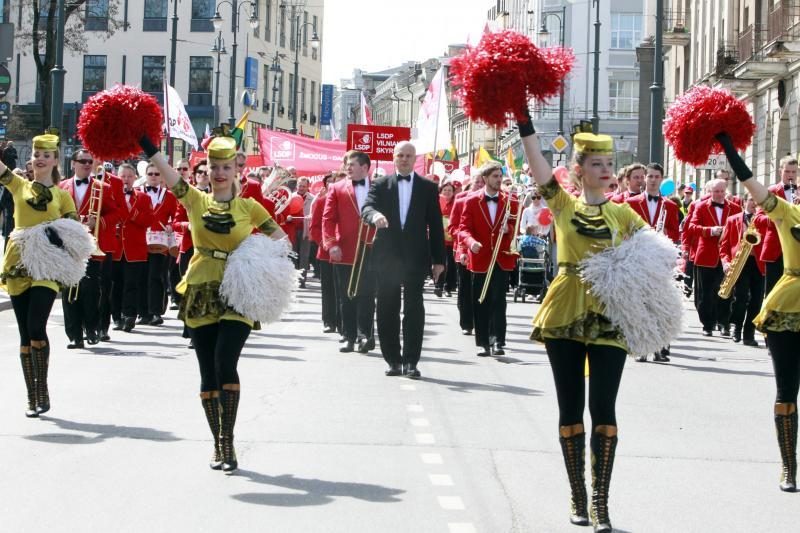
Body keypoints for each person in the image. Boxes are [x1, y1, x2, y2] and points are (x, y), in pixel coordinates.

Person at [519, 114, 649, 532]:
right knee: (571, 405)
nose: (607, 170)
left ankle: (600, 502)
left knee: (605, 406)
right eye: (596, 163)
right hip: (566, 309)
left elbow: (658, 257)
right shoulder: (562, 203)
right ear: (579, 169)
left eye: (609, 163)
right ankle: (577, 491)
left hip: (611, 313)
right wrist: (524, 123)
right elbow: (538, 161)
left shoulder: (625, 216)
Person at [139, 133, 287, 474]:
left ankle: (228, 439)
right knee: (207, 370)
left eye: (226, 167)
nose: (219, 173)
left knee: (225, 361)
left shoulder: (249, 207)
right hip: (201, 287)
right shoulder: (194, 200)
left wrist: (254, 259)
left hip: (239, 290)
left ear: (237, 169)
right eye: (214, 167)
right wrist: (147, 144)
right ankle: (218, 442)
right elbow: (166, 169)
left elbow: (280, 239)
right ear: (206, 169)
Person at [715, 131, 799, 492]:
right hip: (788, 307)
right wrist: (729, 148)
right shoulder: (787, 211)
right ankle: (789, 467)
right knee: (786, 392)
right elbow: (751, 184)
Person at [0, 133, 79, 416]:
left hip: (46, 265)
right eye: (36, 154)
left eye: (46, 155)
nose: (40, 159)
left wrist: (57, 236)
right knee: (24, 332)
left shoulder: (63, 195)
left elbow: (74, 232)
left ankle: (42, 386)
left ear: (56, 160)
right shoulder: (18, 184)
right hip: (19, 260)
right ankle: (32, 395)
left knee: (36, 324)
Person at [361, 141, 445, 378]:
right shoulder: (380, 184)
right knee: (387, 308)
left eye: (409, 155)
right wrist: (375, 215)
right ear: (394, 157)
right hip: (386, 257)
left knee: (414, 309)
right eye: (401, 155)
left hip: (416, 257)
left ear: (414, 158)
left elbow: (436, 225)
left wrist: (439, 260)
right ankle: (393, 360)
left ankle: (411, 361)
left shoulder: (428, 187)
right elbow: (366, 207)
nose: (405, 159)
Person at [60, 149, 120, 348]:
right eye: (83, 161)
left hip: (91, 247)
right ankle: (75, 335)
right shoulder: (62, 187)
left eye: (89, 161)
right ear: (73, 164)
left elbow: (116, 215)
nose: (87, 164)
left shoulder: (103, 187)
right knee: (70, 292)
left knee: (90, 290)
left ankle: (92, 328)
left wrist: (99, 221)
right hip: (68, 248)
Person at [458, 161, 518, 357]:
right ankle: (483, 342)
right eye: (495, 176)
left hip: (501, 258)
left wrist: (509, 229)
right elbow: (463, 228)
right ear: (484, 179)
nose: (499, 180)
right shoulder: (471, 200)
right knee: (480, 300)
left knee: (499, 301)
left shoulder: (511, 200)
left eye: (500, 176)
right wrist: (470, 242)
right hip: (480, 257)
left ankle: (498, 340)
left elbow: (515, 226)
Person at [323, 151, 377, 353]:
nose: (348, 167)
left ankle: (365, 336)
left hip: (371, 248)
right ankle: (348, 336)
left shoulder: (379, 187)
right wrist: (331, 244)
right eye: (347, 164)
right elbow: (328, 219)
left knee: (367, 294)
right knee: (347, 295)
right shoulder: (336, 188)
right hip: (344, 249)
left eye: (352, 164)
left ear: (365, 167)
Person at [686, 178, 742, 336]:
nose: (719, 194)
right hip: (706, 255)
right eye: (716, 191)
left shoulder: (736, 208)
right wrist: (710, 230)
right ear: (710, 192)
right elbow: (691, 227)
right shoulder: (701, 206)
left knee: (726, 291)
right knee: (705, 294)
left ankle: (724, 323)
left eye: (722, 191)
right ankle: (707, 324)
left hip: (727, 257)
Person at [111, 163, 154, 332]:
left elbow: (149, 220)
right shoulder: (112, 196)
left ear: (135, 178)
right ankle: (116, 317)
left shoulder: (143, 198)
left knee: (131, 283)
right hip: (116, 248)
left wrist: (132, 212)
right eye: (123, 176)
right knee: (116, 284)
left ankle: (129, 315)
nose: (126, 180)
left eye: (129, 176)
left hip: (135, 248)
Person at [719, 193, 764, 346]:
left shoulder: (763, 220)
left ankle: (749, 334)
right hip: (740, 263)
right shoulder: (732, 220)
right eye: (751, 199)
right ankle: (736, 328)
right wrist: (726, 262)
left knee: (757, 300)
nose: (754, 203)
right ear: (744, 202)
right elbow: (724, 245)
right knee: (741, 297)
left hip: (759, 264)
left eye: (757, 200)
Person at [138, 162, 177, 326]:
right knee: (142, 276)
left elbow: (176, 216)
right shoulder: (137, 194)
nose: (153, 177)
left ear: (162, 177)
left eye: (157, 174)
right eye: (151, 174)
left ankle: (156, 312)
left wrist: (171, 225)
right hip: (140, 241)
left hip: (160, 242)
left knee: (156, 276)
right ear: (145, 176)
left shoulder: (169, 196)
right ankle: (143, 313)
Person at [449, 173, 486, 336]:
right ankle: (466, 322)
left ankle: (481, 321)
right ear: (471, 182)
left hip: (483, 251)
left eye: (482, 182)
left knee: (480, 288)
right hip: (464, 249)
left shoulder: (488, 199)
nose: (479, 184)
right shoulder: (461, 199)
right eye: (476, 181)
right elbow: (453, 226)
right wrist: (465, 240)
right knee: (465, 287)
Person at [310, 173, 339, 334]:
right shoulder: (321, 202)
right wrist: (325, 243)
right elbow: (314, 228)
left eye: (335, 182)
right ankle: (329, 320)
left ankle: (342, 320)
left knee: (341, 289)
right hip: (326, 253)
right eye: (330, 182)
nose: (332, 185)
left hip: (345, 253)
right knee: (328, 288)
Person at [435, 180, 457, 297]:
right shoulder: (437, 202)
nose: (447, 192)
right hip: (439, 237)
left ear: (453, 192)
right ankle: (438, 285)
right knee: (439, 261)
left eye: (450, 190)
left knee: (450, 263)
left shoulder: (456, 203)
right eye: (445, 190)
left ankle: (448, 287)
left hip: (452, 238)